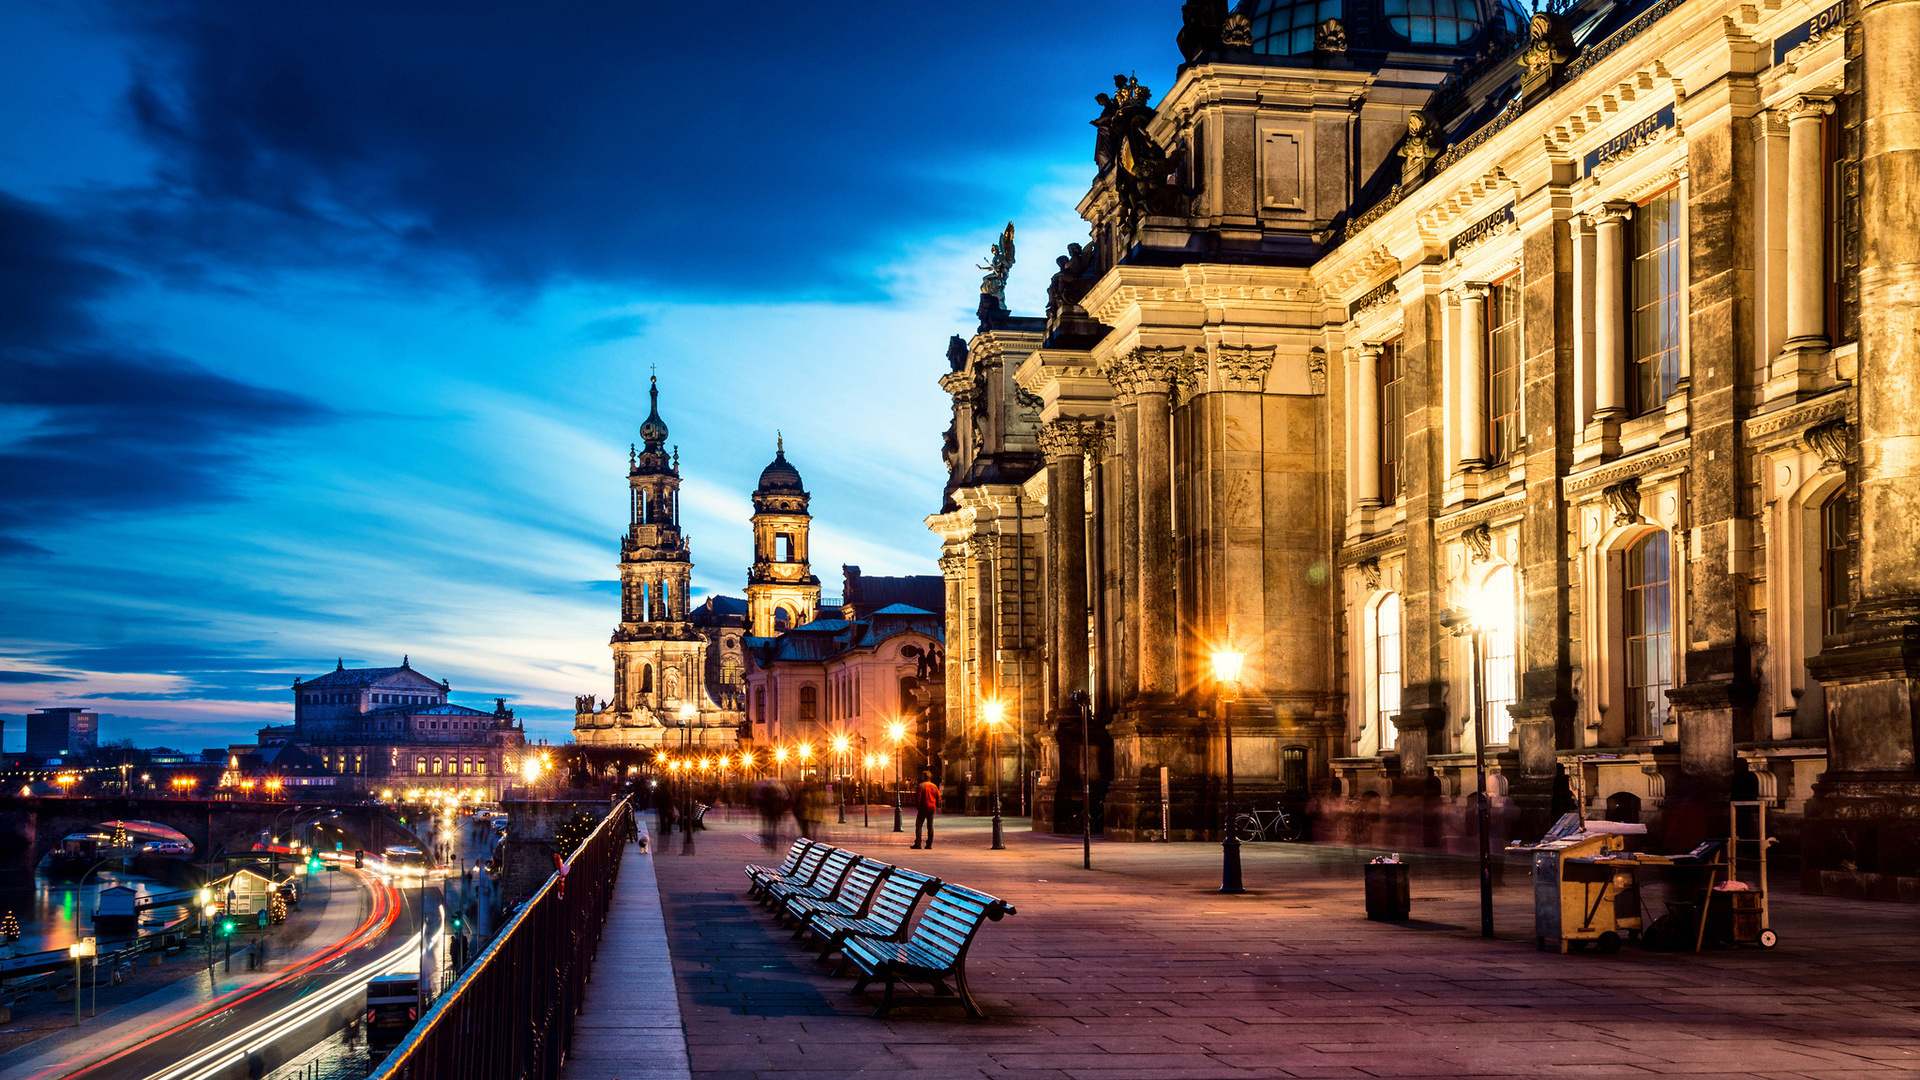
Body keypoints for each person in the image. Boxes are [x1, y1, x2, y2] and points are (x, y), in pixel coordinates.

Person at [912, 770, 940, 849]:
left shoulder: (921, 786)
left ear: (923, 777)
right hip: (932, 808)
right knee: (930, 826)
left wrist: (918, 806)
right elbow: (938, 797)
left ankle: (918, 843)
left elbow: (918, 798)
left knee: (919, 825)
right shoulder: (934, 786)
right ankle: (929, 844)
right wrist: (936, 806)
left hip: (923, 808)